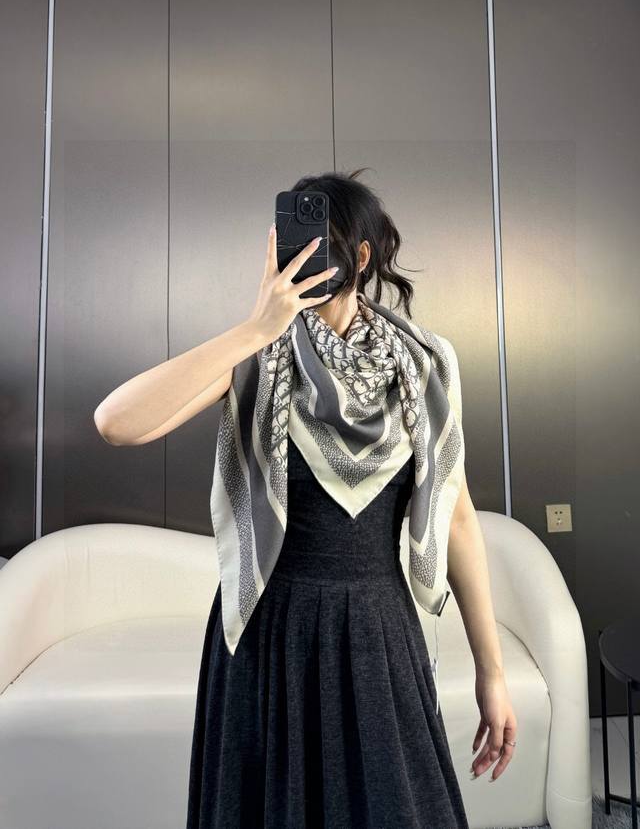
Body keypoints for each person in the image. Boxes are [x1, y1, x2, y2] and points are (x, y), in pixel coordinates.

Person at [94, 168, 517, 829]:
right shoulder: (256, 359)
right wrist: (254, 330)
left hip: (378, 631)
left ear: (362, 257)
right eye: (291, 240)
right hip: (269, 634)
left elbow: (457, 518)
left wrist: (492, 673)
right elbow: (116, 422)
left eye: (320, 242)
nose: (300, 257)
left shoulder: (425, 365)